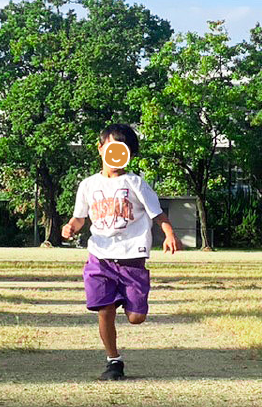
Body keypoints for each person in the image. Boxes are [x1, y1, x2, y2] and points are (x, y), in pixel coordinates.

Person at [62, 124, 181, 381]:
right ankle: (113, 360)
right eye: (112, 147)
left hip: (132, 258)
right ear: (101, 148)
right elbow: (80, 217)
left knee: (136, 317)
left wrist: (169, 234)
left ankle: (127, 299)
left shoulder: (136, 183)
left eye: (123, 149)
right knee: (104, 309)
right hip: (100, 256)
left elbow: (157, 213)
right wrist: (71, 227)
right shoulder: (88, 185)